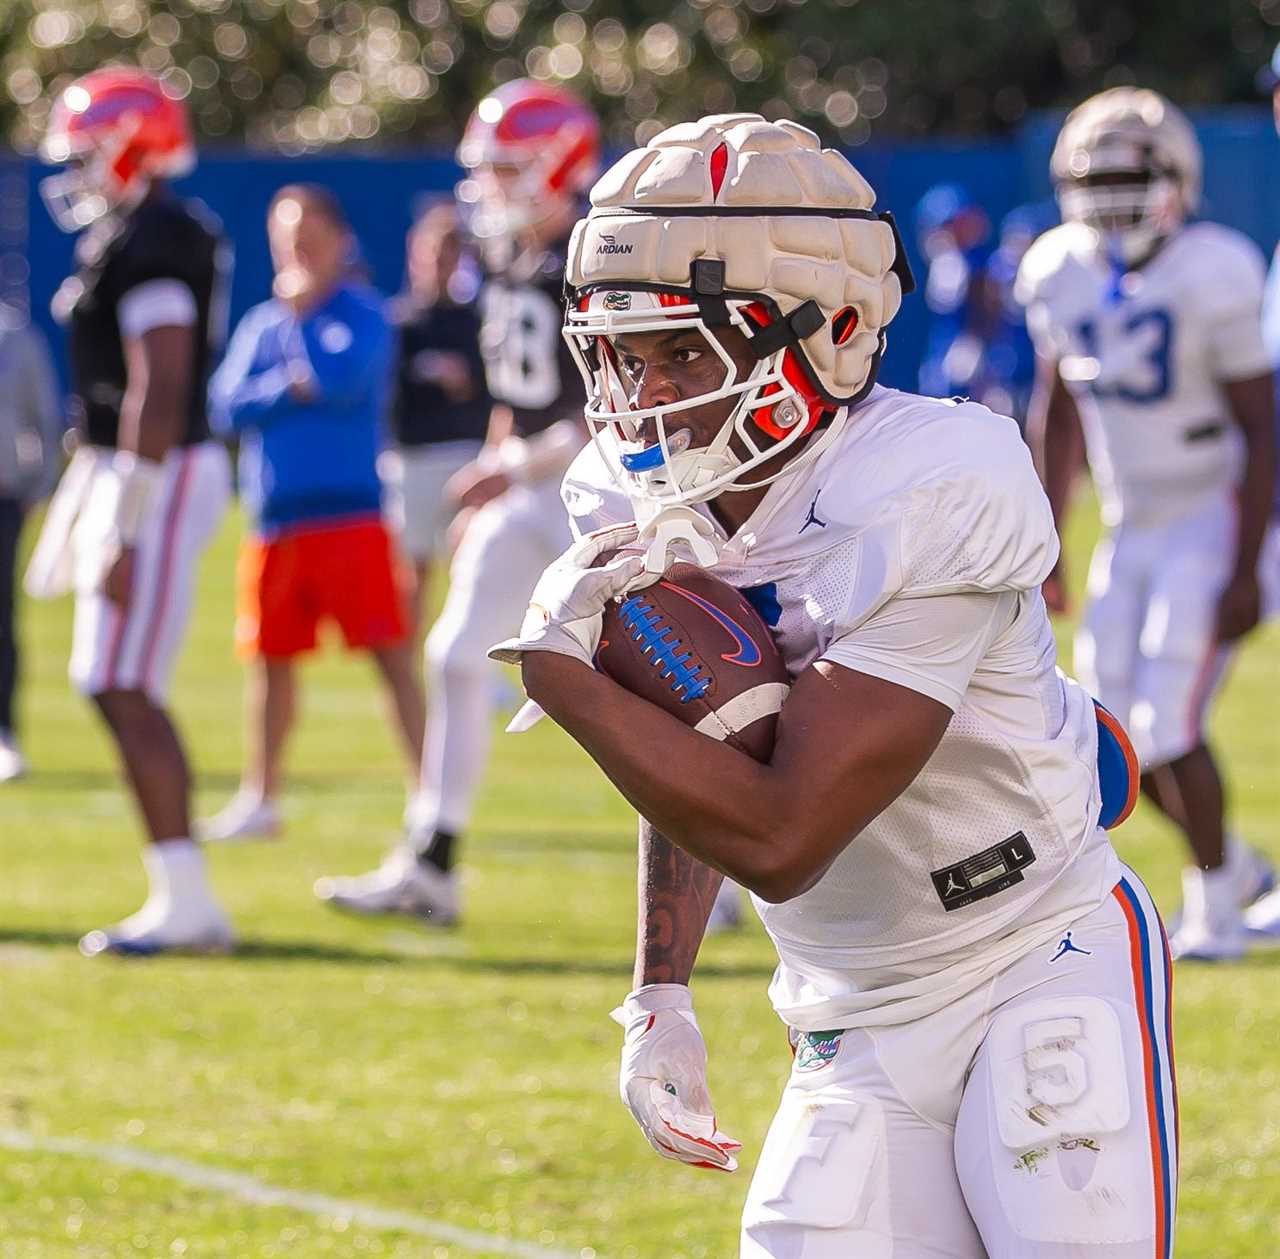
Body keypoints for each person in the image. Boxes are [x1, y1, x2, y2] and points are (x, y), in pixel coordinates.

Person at [493, 114, 1177, 1257]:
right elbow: (704, 753)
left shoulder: (932, 479)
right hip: (846, 993)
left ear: (834, 329)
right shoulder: (615, 490)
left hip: (1029, 941)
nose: (636, 393)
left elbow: (782, 831)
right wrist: (658, 989)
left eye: (679, 351)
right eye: (616, 350)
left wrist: (561, 677)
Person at [315, 81, 598, 924]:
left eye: (511, 168)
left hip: (604, 490)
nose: (493, 188)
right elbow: (516, 396)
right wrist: (494, 464)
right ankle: (432, 860)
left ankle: (723, 874)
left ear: (560, 166)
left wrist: (506, 469)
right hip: (529, 481)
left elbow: (607, 407)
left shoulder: (597, 255)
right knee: (453, 655)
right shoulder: (509, 258)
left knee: (653, 686)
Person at [1017, 88, 1277, 961]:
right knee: (1105, 728)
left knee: (1168, 719)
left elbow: (1262, 425)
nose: (1111, 196)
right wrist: (1044, 537)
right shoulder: (1059, 265)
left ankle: (1215, 911)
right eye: (1094, 177)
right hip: (1131, 521)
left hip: (1211, 511)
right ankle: (1237, 867)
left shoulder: (1216, 267)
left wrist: (1248, 564)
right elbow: (1057, 410)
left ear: (1175, 178)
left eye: (1130, 176)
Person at [32, 68, 235, 955]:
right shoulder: (133, 229)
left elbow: (162, 374)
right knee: (107, 677)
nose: (76, 170)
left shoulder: (160, 233)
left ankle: (187, 900)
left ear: (129, 144)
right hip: (131, 464)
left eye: (87, 151)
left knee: (123, 679)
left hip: (159, 467)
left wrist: (126, 519)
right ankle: (178, 889)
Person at [200, 186, 424, 843]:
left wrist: (295, 349)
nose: (296, 248)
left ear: (337, 238)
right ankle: (260, 797)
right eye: (285, 235)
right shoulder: (262, 322)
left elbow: (341, 377)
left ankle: (428, 796)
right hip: (275, 521)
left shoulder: (361, 313)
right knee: (269, 662)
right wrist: (283, 384)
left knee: (391, 658)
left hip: (350, 518)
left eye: (307, 234)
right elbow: (224, 405)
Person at [379, 201, 488, 635]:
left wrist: (464, 379)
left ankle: (471, 652)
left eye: (449, 252)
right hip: (412, 459)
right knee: (412, 571)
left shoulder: (475, 320)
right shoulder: (398, 322)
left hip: (466, 455)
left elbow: (490, 387)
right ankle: (410, 660)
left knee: (471, 563)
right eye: (432, 251)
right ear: (414, 253)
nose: (439, 262)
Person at [0, 303, 62, 781]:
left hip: (3, 497)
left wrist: (38, 486)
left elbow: (44, 416)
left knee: (1, 617)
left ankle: (4, 733)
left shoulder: (14, 336)